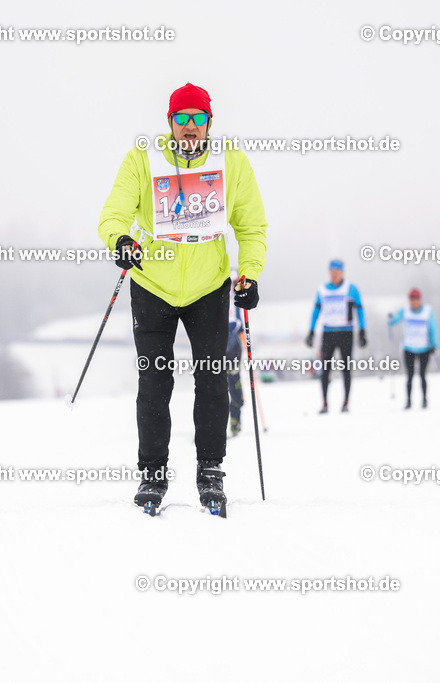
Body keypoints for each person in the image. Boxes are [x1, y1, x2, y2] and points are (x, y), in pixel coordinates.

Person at [97, 83, 268, 513]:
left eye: (197, 119)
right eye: (182, 119)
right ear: (170, 122)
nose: (189, 128)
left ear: (209, 123)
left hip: (209, 288)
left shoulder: (230, 162)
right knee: (154, 382)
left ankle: (210, 471)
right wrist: (120, 240)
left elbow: (251, 227)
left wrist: (249, 275)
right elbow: (114, 212)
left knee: (211, 380)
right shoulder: (143, 159)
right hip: (152, 283)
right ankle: (152, 476)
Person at [305, 259, 366, 413]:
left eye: (337, 273)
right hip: (328, 333)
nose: (334, 275)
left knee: (346, 368)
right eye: (332, 273)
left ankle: (345, 402)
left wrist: (362, 330)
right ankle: (325, 403)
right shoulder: (322, 290)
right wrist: (311, 331)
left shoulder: (351, 289)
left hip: (346, 332)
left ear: (342, 272)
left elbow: (359, 310)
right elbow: (316, 311)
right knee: (325, 369)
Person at [387, 288, 439, 409]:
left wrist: (435, 345)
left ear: (419, 300)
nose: (413, 302)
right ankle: (409, 401)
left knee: (422, 375)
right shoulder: (405, 311)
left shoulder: (427, 311)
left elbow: (433, 328)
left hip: (424, 348)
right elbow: (393, 320)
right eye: (411, 300)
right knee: (409, 376)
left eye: (415, 300)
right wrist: (390, 318)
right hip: (409, 348)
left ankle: (424, 399)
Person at [225, 271, 245, 437]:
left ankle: (235, 420)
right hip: (217, 336)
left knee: (232, 380)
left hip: (232, 338)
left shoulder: (238, 285)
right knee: (218, 382)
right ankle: (214, 425)